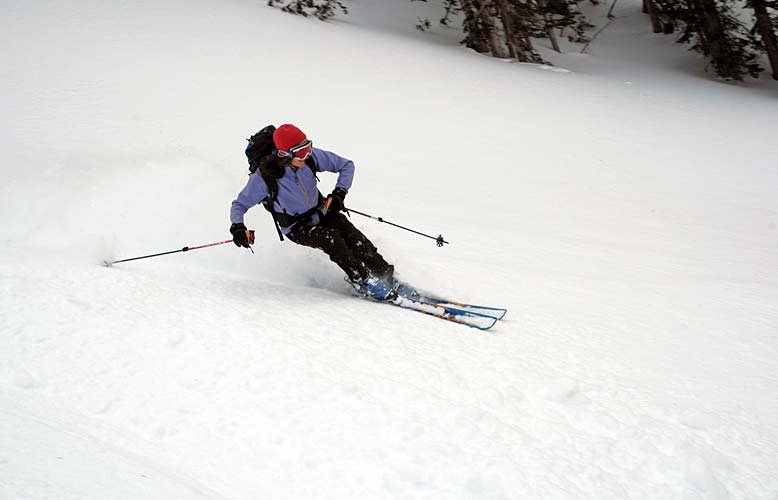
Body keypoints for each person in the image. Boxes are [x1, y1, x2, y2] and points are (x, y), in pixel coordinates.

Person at [229, 124, 397, 301]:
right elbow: (239, 204)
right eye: (300, 152)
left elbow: (347, 165)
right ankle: (364, 281)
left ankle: (384, 273)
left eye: (308, 147)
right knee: (332, 241)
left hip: (321, 210)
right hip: (296, 226)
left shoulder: (310, 158)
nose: (307, 154)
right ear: (284, 154)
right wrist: (238, 227)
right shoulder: (264, 178)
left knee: (353, 235)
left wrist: (340, 193)